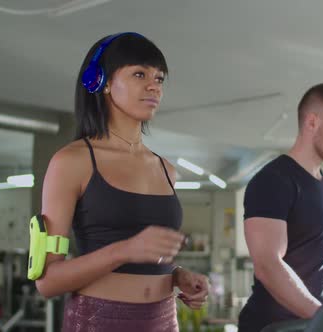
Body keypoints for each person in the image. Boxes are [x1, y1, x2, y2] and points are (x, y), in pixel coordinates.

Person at [35, 32, 209, 332]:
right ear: (99, 82)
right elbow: (48, 281)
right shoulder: (72, 161)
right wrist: (123, 250)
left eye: (159, 78)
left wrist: (178, 275)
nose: (154, 85)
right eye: (139, 74)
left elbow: (147, 261)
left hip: (164, 321)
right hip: (98, 322)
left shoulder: (166, 168)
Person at [238, 83, 323, 332]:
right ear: (312, 122)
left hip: (311, 325)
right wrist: (322, 317)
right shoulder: (273, 180)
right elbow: (268, 264)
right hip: (273, 327)